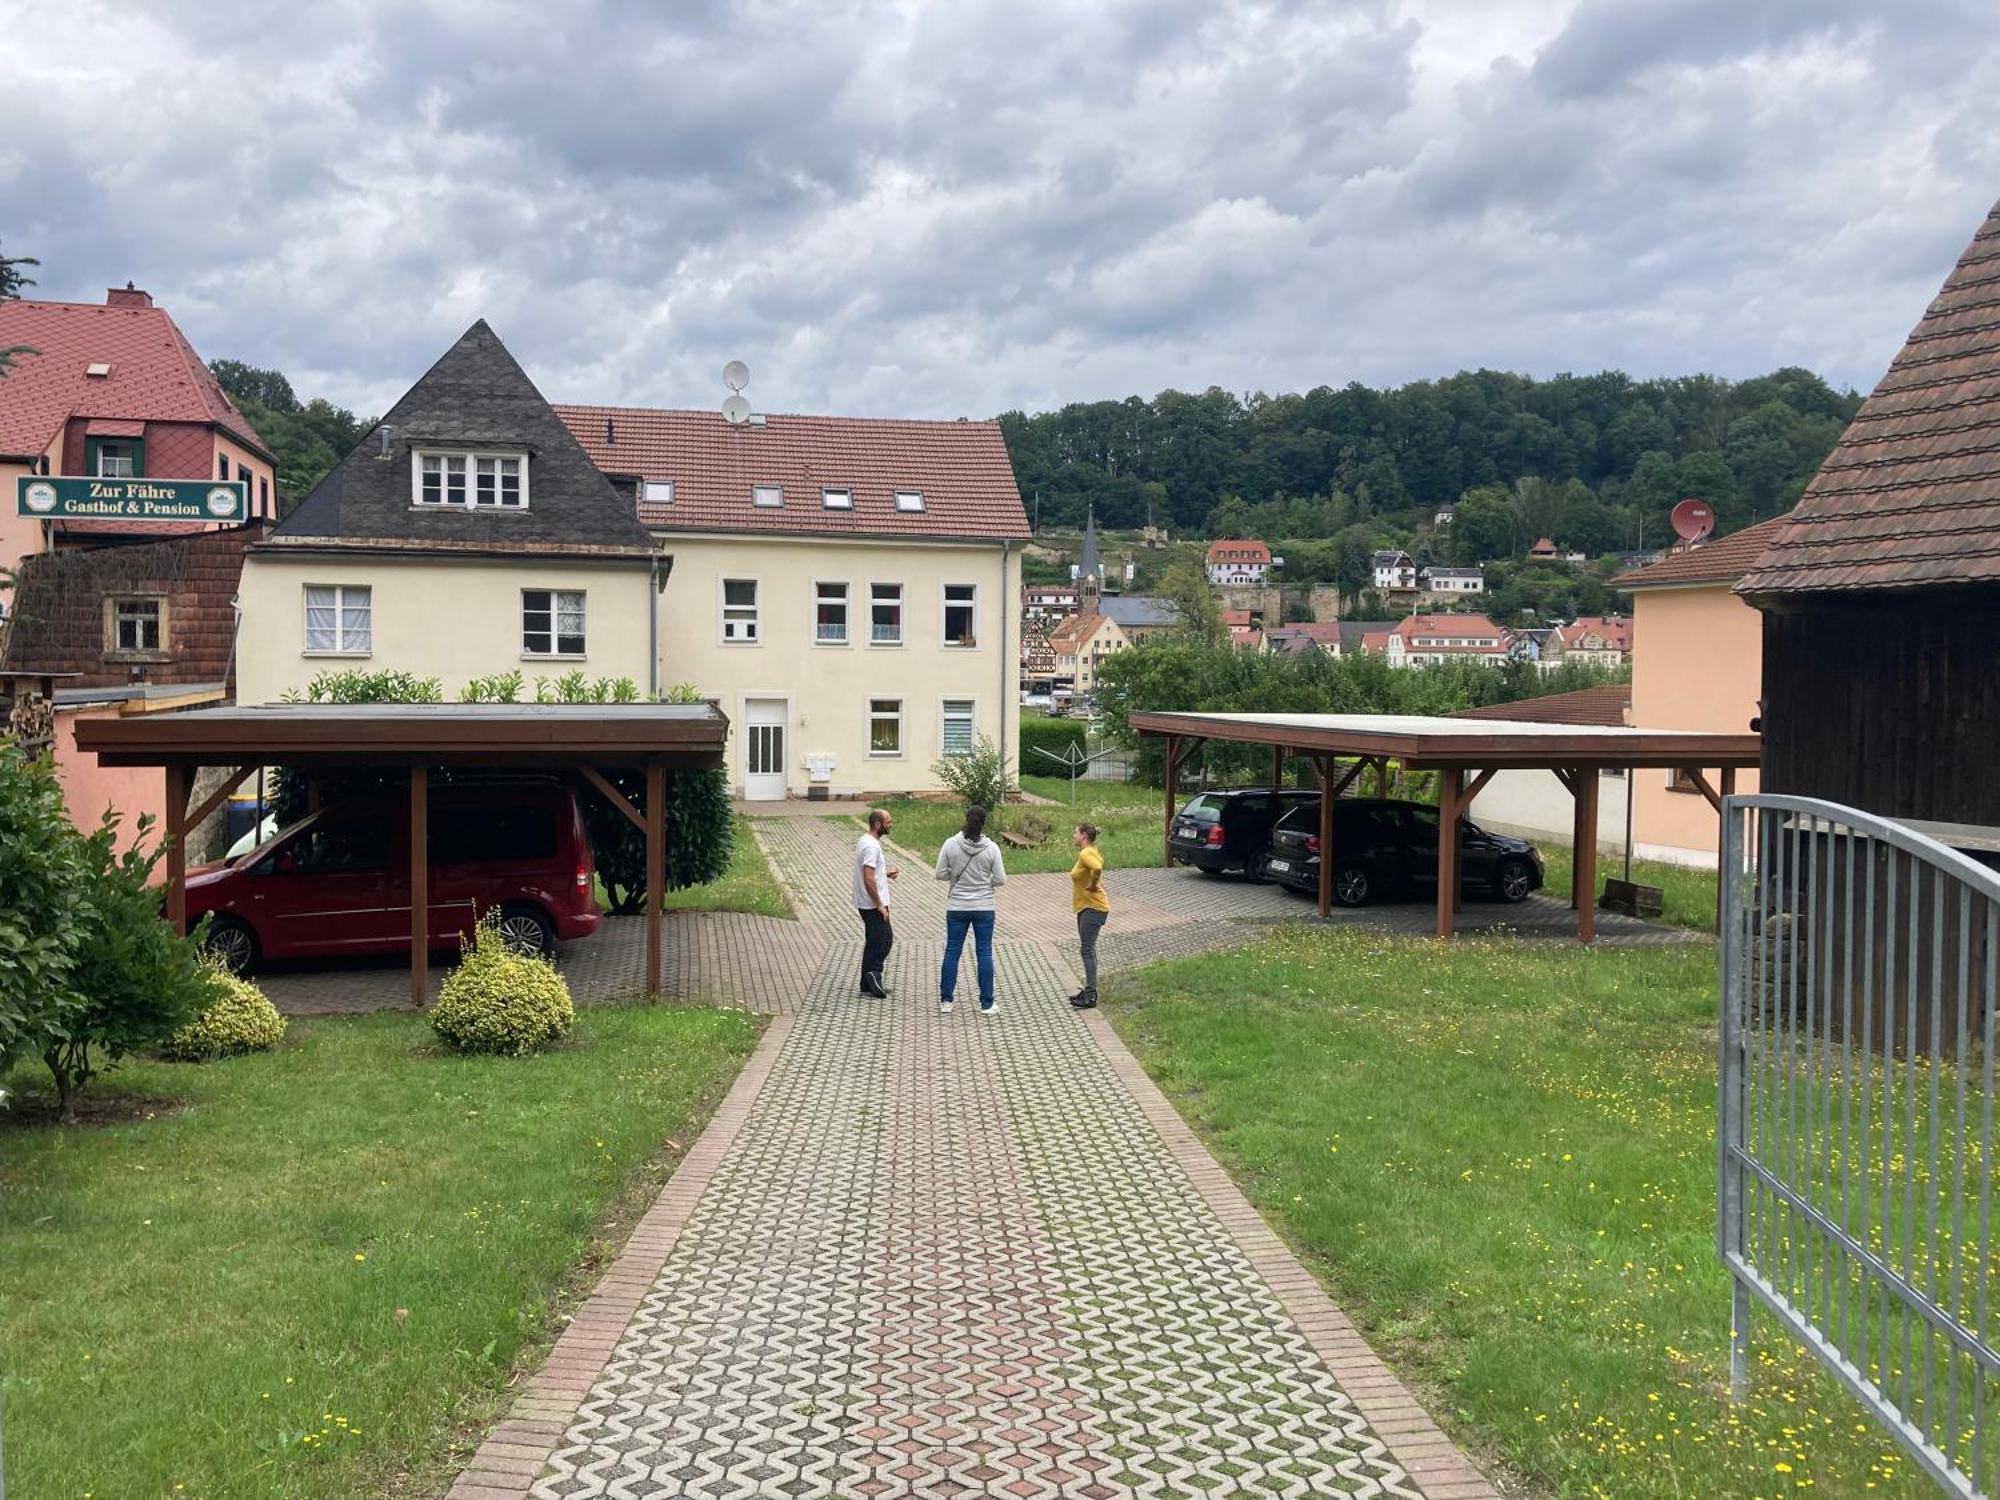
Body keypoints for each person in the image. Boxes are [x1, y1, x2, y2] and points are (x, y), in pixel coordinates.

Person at [934, 804, 1007, 1015]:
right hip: (984, 907)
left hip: (956, 906)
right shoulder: (992, 848)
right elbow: (1001, 879)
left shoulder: (950, 844)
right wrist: (986, 882)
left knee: (952, 951)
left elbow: (940, 873)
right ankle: (986, 1003)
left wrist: (956, 877)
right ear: (984, 823)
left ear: (965, 819)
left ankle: (946, 1001)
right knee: (984, 951)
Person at [852, 807, 899, 998]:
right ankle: (874, 974)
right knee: (883, 941)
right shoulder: (871, 846)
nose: (891, 824)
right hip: (872, 903)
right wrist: (879, 904)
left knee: (875, 941)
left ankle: (866, 982)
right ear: (878, 824)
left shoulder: (866, 841)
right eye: (888, 822)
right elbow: (868, 877)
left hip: (867, 901)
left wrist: (885, 873)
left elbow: (872, 873)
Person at [1068, 822, 1109, 1009]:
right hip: (1088, 907)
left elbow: (1097, 869)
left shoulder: (1085, 853)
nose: (1073, 835)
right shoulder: (1092, 850)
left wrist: (1093, 885)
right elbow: (1098, 865)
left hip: (1093, 908)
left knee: (1086, 950)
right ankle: (1089, 989)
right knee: (1088, 950)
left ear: (1084, 835)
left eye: (1075, 832)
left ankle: (1091, 995)